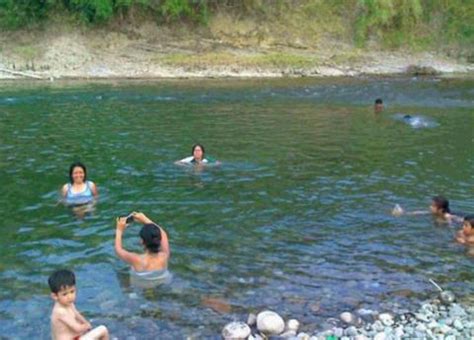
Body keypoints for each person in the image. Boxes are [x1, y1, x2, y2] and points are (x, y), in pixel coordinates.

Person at [49, 269, 109, 340]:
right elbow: (77, 328)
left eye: (72, 291)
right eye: (64, 294)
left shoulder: (68, 303)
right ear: (55, 296)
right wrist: (86, 326)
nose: (70, 297)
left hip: (75, 337)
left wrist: (85, 322)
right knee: (103, 329)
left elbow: (77, 315)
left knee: (91, 333)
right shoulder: (60, 311)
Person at [115, 212, 170, 282]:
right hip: (162, 281)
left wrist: (119, 230)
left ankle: (129, 292)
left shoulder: (137, 259)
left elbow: (118, 250)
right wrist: (145, 219)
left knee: (122, 276)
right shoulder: (164, 255)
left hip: (141, 286)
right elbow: (163, 234)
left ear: (142, 242)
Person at [392, 195, 463, 222]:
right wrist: (403, 213)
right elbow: (420, 213)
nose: (430, 207)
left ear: (440, 210)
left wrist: (447, 221)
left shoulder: (448, 216)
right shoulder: (434, 212)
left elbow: (460, 220)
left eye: (432, 206)